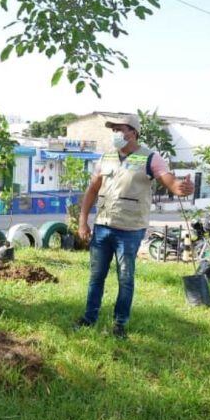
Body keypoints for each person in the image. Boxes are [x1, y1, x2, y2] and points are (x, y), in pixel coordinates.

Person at [75, 113, 193, 338]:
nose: (116, 134)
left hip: (129, 231)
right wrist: (83, 221)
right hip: (103, 226)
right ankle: (89, 318)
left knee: (125, 277)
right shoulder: (106, 157)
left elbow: (170, 182)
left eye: (120, 129)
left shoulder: (150, 158)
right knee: (96, 276)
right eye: (114, 130)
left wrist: (181, 187)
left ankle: (119, 324)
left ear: (133, 132)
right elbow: (92, 190)